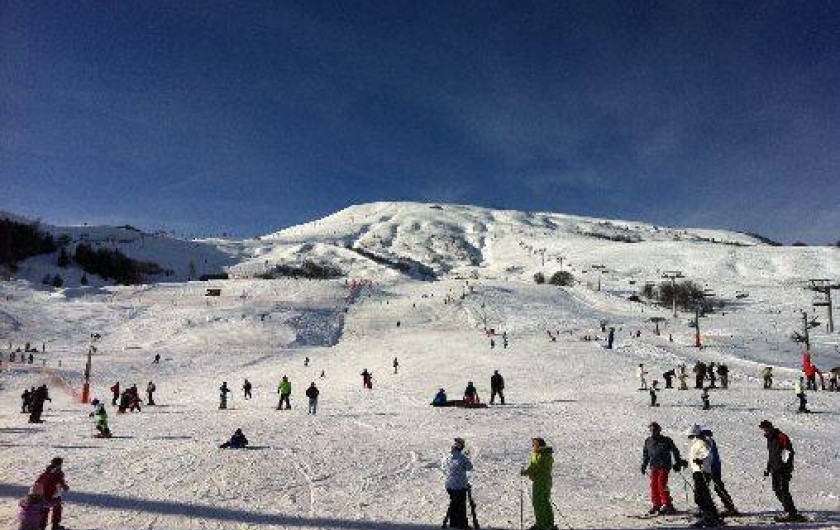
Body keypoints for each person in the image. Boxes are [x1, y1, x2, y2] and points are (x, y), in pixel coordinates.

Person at [759, 420, 803, 522]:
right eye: (763, 429)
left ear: (770, 427)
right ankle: (788, 510)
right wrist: (768, 468)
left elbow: (788, 453)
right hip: (775, 469)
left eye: (765, 429)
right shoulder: (770, 439)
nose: (764, 431)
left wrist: (785, 467)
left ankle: (791, 513)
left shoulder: (781, 436)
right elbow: (772, 455)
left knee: (784, 490)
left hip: (783, 469)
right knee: (776, 489)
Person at [641, 422, 683, 515]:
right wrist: (644, 465)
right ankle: (656, 504)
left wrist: (678, 462)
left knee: (661, 485)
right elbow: (646, 454)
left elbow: (675, 451)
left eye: (655, 430)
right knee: (654, 485)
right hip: (653, 466)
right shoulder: (648, 441)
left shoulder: (666, 440)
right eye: (652, 430)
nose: (653, 432)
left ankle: (667, 505)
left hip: (664, 465)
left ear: (659, 430)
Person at [685, 425, 721, 527]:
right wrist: (686, 463)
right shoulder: (698, 442)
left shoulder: (701, 442)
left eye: (690, 436)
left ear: (694, 435)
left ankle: (708, 517)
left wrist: (701, 460)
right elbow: (695, 457)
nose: (689, 439)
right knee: (703, 495)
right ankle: (713, 516)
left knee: (700, 496)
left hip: (702, 471)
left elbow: (708, 454)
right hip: (699, 470)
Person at [700, 428, 738, 516]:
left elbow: (708, 455)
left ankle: (729, 507)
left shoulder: (708, 441)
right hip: (712, 467)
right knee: (711, 487)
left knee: (717, 487)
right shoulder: (709, 441)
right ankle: (727, 506)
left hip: (712, 467)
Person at [521, 437, 556, 530]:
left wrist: (525, 472)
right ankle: (548, 524)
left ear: (539, 445)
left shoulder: (541, 454)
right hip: (544, 481)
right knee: (545, 502)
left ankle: (542, 525)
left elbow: (535, 467)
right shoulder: (544, 453)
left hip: (541, 482)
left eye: (534, 444)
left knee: (539, 503)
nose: (533, 446)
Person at [442, 437, 473, 530]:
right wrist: (467, 457)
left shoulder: (447, 457)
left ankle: (453, 523)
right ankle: (462, 524)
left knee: (454, 503)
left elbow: (443, 467)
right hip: (459, 485)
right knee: (461, 505)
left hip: (449, 484)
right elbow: (469, 467)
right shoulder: (462, 457)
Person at [33, 457, 69, 530]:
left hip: (44, 494)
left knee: (45, 510)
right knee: (57, 509)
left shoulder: (46, 472)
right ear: (60, 464)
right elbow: (60, 481)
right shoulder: (58, 472)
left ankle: (42, 526)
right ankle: (55, 525)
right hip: (54, 495)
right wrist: (65, 487)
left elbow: (38, 481)